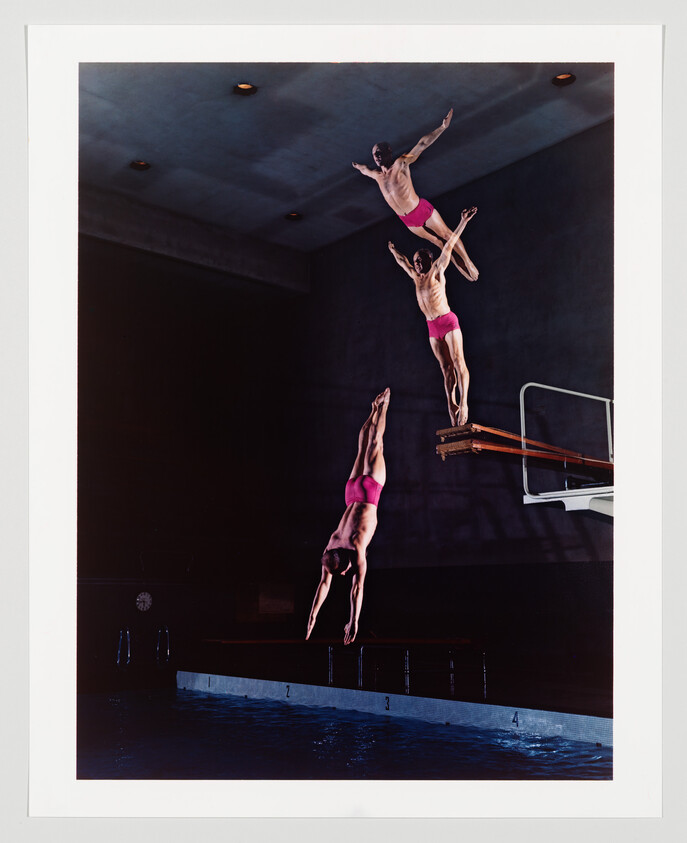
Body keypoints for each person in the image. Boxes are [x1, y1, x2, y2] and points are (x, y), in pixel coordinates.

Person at [352, 109, 479, 281]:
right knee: (440, 244)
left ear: (389, 151)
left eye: (380, 152)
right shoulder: (377, 176)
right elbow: (364, 170)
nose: (377, 156)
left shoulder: (401, 163)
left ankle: (469, 263)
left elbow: (422, 144)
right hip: (408, 221)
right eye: (375, 154)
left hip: (420, 209)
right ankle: (465, 272)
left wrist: (442, 127)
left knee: (447, 235)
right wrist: (358, 166)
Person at [306, 388, 390, 646]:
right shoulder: (331, 546)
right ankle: (373, 409)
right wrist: (312, 617)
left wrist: (354, 621)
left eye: (343, 571)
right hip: (351, 491)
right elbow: (323, 586)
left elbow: (356, 589)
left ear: (344, 562)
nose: (344, 574)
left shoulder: (356, 548)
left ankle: (384, 406)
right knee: (362, 446)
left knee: (376, 443)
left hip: (369, 494)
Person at [388, 208, 477, 427]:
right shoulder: (415, 277)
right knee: (445, 369)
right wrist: (393, 250)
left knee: (458, 362)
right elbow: (402, 261)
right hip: (432, 328)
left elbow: (449, 245)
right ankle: (451, 405)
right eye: (415, 261)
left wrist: (462, 221)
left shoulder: (437, 270)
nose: (417, 264)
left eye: (420, 260)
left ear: (429, 260)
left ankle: (464, 403)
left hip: (448, 322)